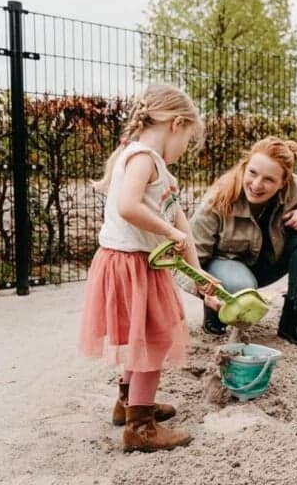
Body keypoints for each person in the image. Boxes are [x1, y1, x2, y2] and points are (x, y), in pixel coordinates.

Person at [79, 84, 217, 452]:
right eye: (188, 139)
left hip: (138, 262)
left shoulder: (148, 161)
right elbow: (128, 207)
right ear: (177, 124)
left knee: (144, 336)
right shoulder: (143, 158)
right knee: (156, 339)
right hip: (132, 263)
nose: (185, 149)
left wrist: (199, 275)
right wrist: (169, 232)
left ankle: (129, 403)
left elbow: (179, 221)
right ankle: (141, 427)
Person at [182, 136, 297, 348]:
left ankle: (291, 320)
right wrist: (205, 291)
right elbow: (189, 261)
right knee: (242, 287)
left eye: (269, 179)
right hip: (226, 271)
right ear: (245, 166)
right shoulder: (218, 199)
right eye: (252, 173)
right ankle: (215, 313)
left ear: (283, 182)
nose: (257, 185)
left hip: (269, 262)